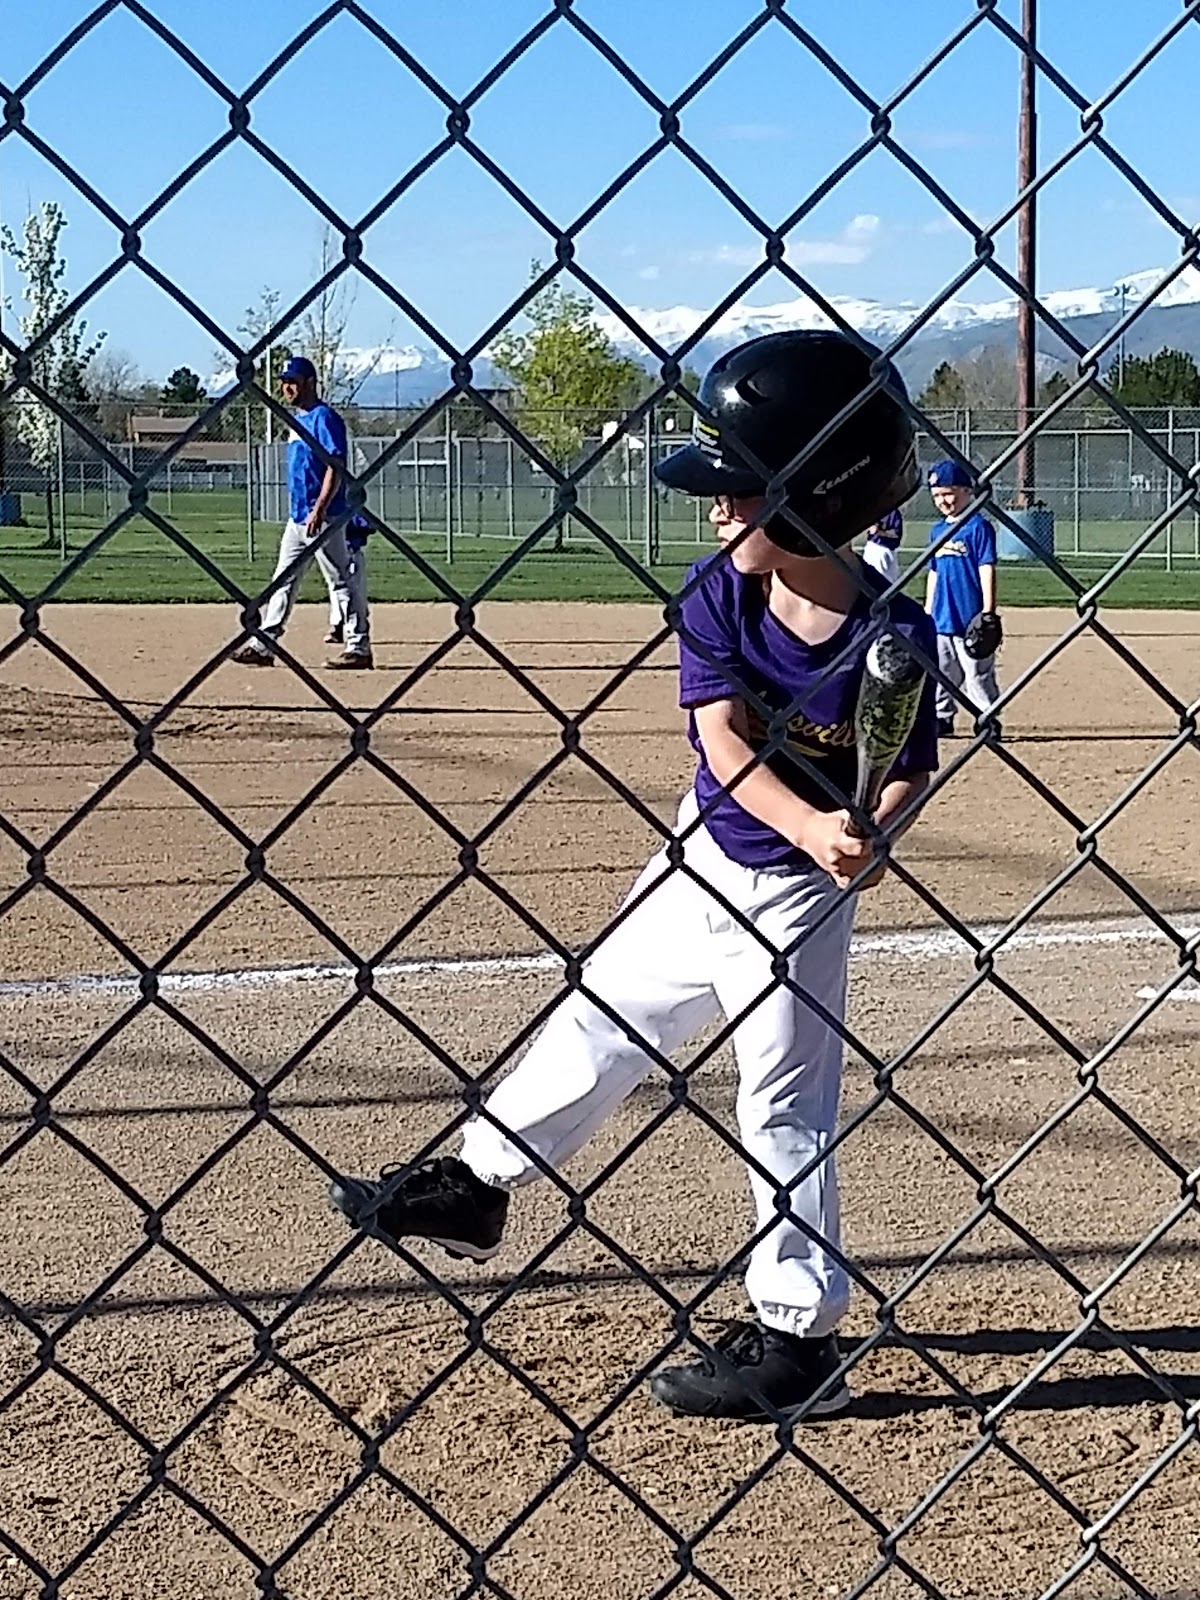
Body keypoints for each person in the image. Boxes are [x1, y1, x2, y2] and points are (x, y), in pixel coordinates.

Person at [327, 331, 939, 1423]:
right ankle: (479, 1184)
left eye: (741, 492)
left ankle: (799, 1340)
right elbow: (724, 743)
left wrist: (873, 835)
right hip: (705, 858)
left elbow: (906, 766)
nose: (717, 511)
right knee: (599, 1018)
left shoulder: (892, 633)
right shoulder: (720, 596)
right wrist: (814, 822)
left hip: (797, 902)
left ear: (817, 497)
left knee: (782, 1103)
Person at [232, 356, 372, 670]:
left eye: (293, 381)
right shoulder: (297, 421)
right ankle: (263, 645)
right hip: (298, 517)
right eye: (284, 382)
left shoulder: (324, 417)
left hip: (324, 517)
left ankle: (358, 647)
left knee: (340, 580)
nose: (287, 387)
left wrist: (320, 508)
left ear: (310, 383)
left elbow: (335, 466)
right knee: (282, 581)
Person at [924, 459, 1001, 738]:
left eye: (948, 493)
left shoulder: (978, 527)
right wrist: (928, 611)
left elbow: (986, 568)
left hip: (971, 616)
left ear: (967, 491)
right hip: (942, 616)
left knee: (977, 672)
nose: (943, 501)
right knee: (942, 671)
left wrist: (988, 612)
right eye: (936, 496)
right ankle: (942, 716)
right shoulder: (936, 531)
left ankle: (987, 717)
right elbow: (933, 573)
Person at [325, 515, 370, 646]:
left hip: (352, 554)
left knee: (354, 590)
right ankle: (337, 628)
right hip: (337, 554)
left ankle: (358, 628)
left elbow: (367, 525)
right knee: (335, 588)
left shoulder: (351, 511)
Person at [861, 506, 903, 585]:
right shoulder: (872, 509)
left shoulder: (893, 512)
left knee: (889, 583)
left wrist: (879, 532)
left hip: (888, 550)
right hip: (875, 548)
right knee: (874, 582)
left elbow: (896, 534)